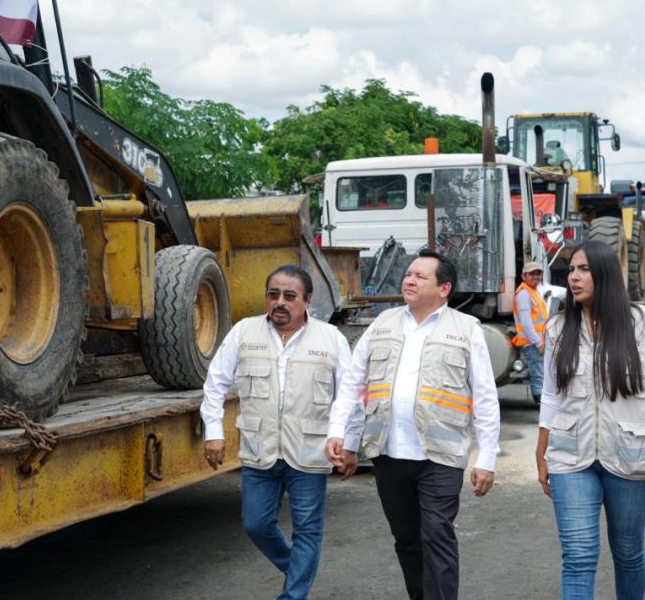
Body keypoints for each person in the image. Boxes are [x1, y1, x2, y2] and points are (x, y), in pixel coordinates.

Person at [325, 249, 500, 599]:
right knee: (407, 541)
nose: (409, 279)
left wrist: (487, 458)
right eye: (408, 274)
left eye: (420, 276)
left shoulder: (465, 330)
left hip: (440, 455)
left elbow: (484, 396)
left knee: (436, 535)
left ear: (443, 288)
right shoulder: (383, 324)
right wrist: (340, 434)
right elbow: (354, 384)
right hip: (389, 453)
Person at [200, 264, 361, 600]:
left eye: (290, 296)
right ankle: (298, 567)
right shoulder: (244, 332)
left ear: (307, 301)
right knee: (255, 524)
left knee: (307, 530)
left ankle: (293, 594)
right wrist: (213, 431)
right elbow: (215, 383)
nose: (280, 303)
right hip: (260, 451)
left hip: (309, 452)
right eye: (273, 295)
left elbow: (350, 397)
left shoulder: (329, 339)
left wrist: (350, 444)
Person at [536, 240, 645, 600]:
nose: (573, 277)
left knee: (628, 552)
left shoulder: (641, 321)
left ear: (604, 274)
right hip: (570, 458)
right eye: (570, 269)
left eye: (583, 269)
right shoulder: (557, 328)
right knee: (578, 557)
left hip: (632, 453)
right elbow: (552, 395)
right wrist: (542, 452)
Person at [514, 261, 548, 405]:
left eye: (538, 274)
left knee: (541, 376)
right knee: (538, 377)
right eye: (532, 274)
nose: (536, 277)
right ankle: (541, 411)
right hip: (533, 344)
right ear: (524, 276)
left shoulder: (533, 292)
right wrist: (538, 342)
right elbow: (526, 323)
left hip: (537, 342)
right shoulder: (524, 294)